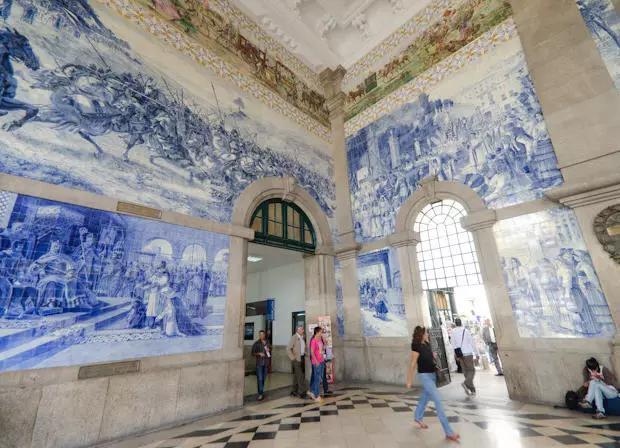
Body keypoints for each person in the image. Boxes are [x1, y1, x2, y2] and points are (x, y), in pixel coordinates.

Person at [406, 326, 460, 442]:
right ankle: (449, 432)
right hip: (425, 376)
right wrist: (409, 379)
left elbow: (428, 357)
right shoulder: (416, 346)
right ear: (421, 335)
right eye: (425, 333)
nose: (427, 335)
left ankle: (417, 417)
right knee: (438, 401)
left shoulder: (426, 343)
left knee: (425, 397)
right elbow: (413, 363)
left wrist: (433, 355)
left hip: (432, 375)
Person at [452, 318, 476, 396]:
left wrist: (455, 354)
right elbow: (472, 342)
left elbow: (453, 344)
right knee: (471, 370)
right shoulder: (466, 331)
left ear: (455, 324)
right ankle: (466, 383)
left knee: (465, 372)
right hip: (468, 353)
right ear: (461, 323)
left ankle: (472, 390)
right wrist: (476, 353)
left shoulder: (453, 332)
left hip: (460, 354)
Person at [287, 325, 307, 398]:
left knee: (296, 376)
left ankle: (293, 391)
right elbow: (288, 349)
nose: (303, 330)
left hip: (302, 358)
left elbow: (302, 348)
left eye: (303, 329)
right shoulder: (294, 337)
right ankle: (302, 392)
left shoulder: (302, 337)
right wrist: (293, 358)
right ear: (297, 330)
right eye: (301, 329)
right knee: (300, 376)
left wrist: (305, 353)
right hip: (296, 359)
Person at [251, 330, 270, 401]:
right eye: (260, 334)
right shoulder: (256, 343)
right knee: (260, 379)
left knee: (263, 379)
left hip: (266, 363)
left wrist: (269, 349)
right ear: (259, 335)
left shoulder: (267, 342)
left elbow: (269, 351)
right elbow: (252, 353)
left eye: (262, 334)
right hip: (259, 364)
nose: (261, 336)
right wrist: (259, 353)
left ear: (264, 335)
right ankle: (260, 394)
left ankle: (261, 391)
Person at [309, 326, 324, 402]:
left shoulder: (320, 339)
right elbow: (312, 352)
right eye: (321, 332)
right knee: (317, 378)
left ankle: (312, 391)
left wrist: (324, 348)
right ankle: (317, 395)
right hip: (316, 362)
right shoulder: (313, 340)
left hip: (321, 360)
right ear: (317, 332)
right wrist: (316, 361)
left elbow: (321, 349)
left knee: (319, 377)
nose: (322, 333)